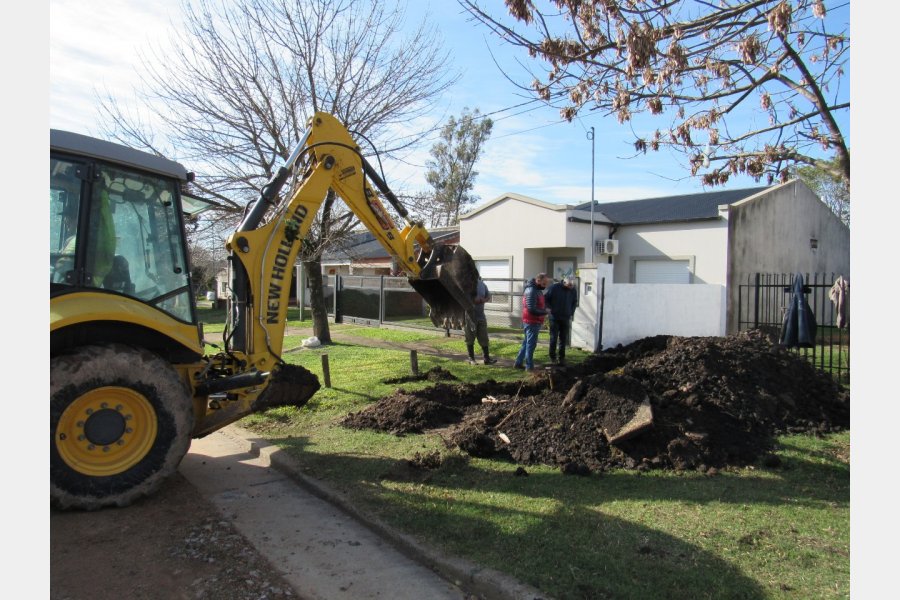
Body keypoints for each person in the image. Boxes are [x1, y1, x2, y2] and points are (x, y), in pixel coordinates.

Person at [514, 272, 550, 371]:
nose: (545, 286)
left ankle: (518, 362)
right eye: (544, 283)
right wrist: (545, 312)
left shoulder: (537, 289)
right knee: (531, 344)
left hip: (534, 320)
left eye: (546, 284)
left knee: (526, 343)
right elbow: (531, 309)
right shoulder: (531, 290)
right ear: (538, 280)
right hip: (531, 321)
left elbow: (538, 304)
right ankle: (529, 366)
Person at [545, 275, 578, 365]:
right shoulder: (554, 288)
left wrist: (571, 312)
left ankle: (562, 358)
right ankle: (552, 357)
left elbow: (575, 302)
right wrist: (548, 308)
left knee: (563, 339)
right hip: (554, 317)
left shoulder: (573, 290)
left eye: (572, 285)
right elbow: (546, 299)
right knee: (553, 338)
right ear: (564, 282)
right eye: (570, 285)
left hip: (566, 317)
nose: (571, 287)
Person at [465, 276, 496, 365]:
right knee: (470, 337)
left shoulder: (482, 284)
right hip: (470, 316)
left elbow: (488, 295)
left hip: (481, 315)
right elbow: (461, 297)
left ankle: (487, 359)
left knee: (484, 337)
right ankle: (471, 358)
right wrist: (472, 300)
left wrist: (484, 299)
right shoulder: (466, 285)